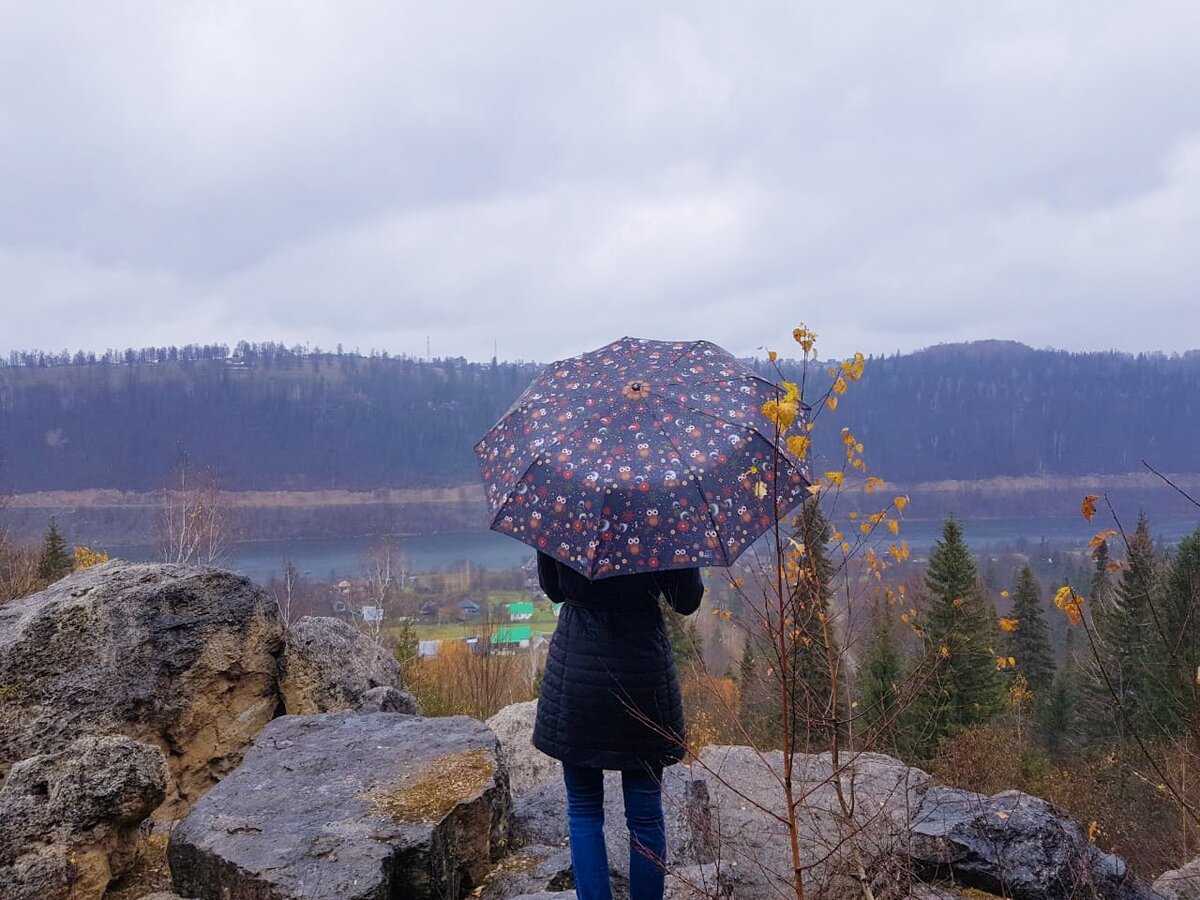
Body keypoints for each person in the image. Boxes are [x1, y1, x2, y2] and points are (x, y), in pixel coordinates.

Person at [532, 550, 704, 900]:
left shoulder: (566, 503)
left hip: (578, 672)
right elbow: (685, 600)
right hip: (642, 675)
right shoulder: (662, 511)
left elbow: (553, 589)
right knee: (645, 813)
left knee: (583, 808)